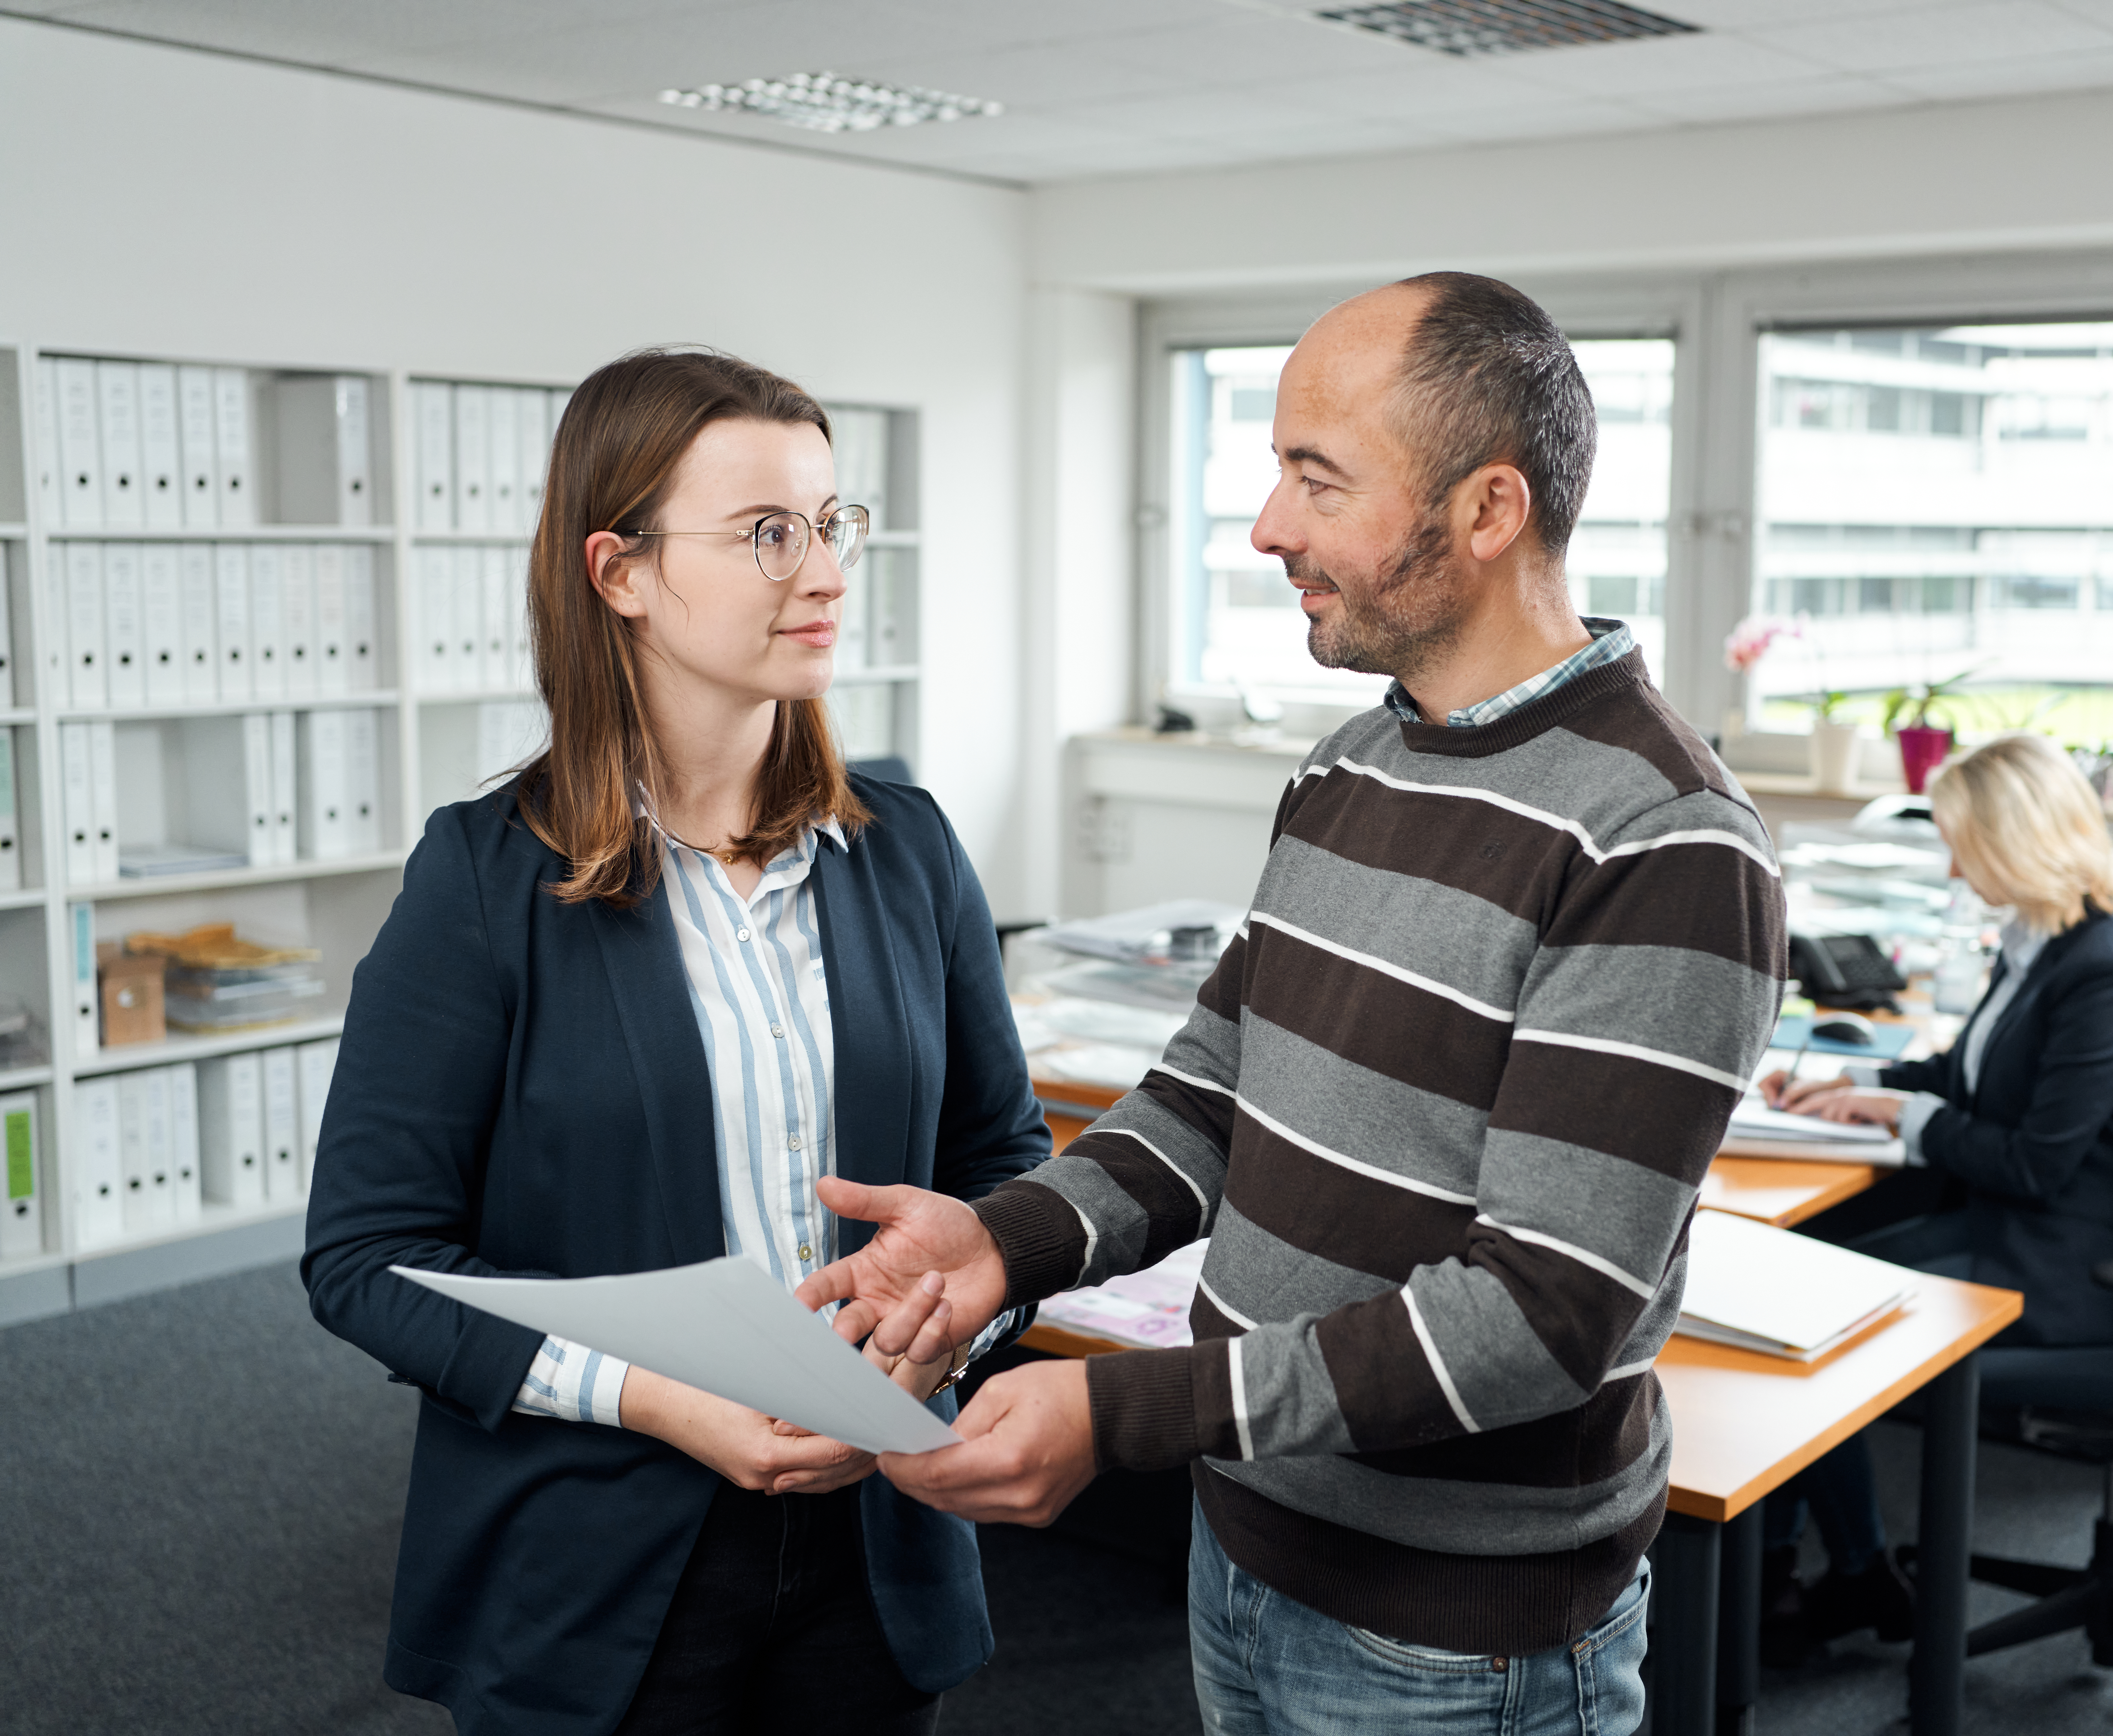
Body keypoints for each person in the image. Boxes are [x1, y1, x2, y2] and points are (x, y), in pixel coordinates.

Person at [791, 273, 1786, 1734]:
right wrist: (1002, 1249)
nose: (1269, 528)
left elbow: (1538, 1317)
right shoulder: (1347, 770)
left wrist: (1117, 1415)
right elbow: (1211, 1098)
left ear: (1488, 510)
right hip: (1248, 1550)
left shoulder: (1661, 837)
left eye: (1316, 479)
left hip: (1462, 1646)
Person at [303, 348, 1048, 1736]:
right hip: (594, 1566)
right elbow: (366, 1261)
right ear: (621, 572)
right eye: (768, 533)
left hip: (877, 1543)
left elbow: (1005, 1167)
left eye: (833, 524)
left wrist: (945, 1335)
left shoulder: (911, 852)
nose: (824, 572)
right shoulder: (484, 882)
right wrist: (658, 1398)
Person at [1753, 729, 2113, 1654]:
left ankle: (1824, 1572)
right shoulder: (2041, 941)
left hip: (2065, 1267)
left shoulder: (2103, 971)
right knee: (1802, 1300)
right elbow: (1972, 1075)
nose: (1949, 865)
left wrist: (1901, 1121)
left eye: (1960, 844)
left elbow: (2035, 1163)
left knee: (1811, 1328)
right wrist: (1871, 1091)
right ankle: (1840, 1571)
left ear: (2016, 842)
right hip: (2004, 1225)